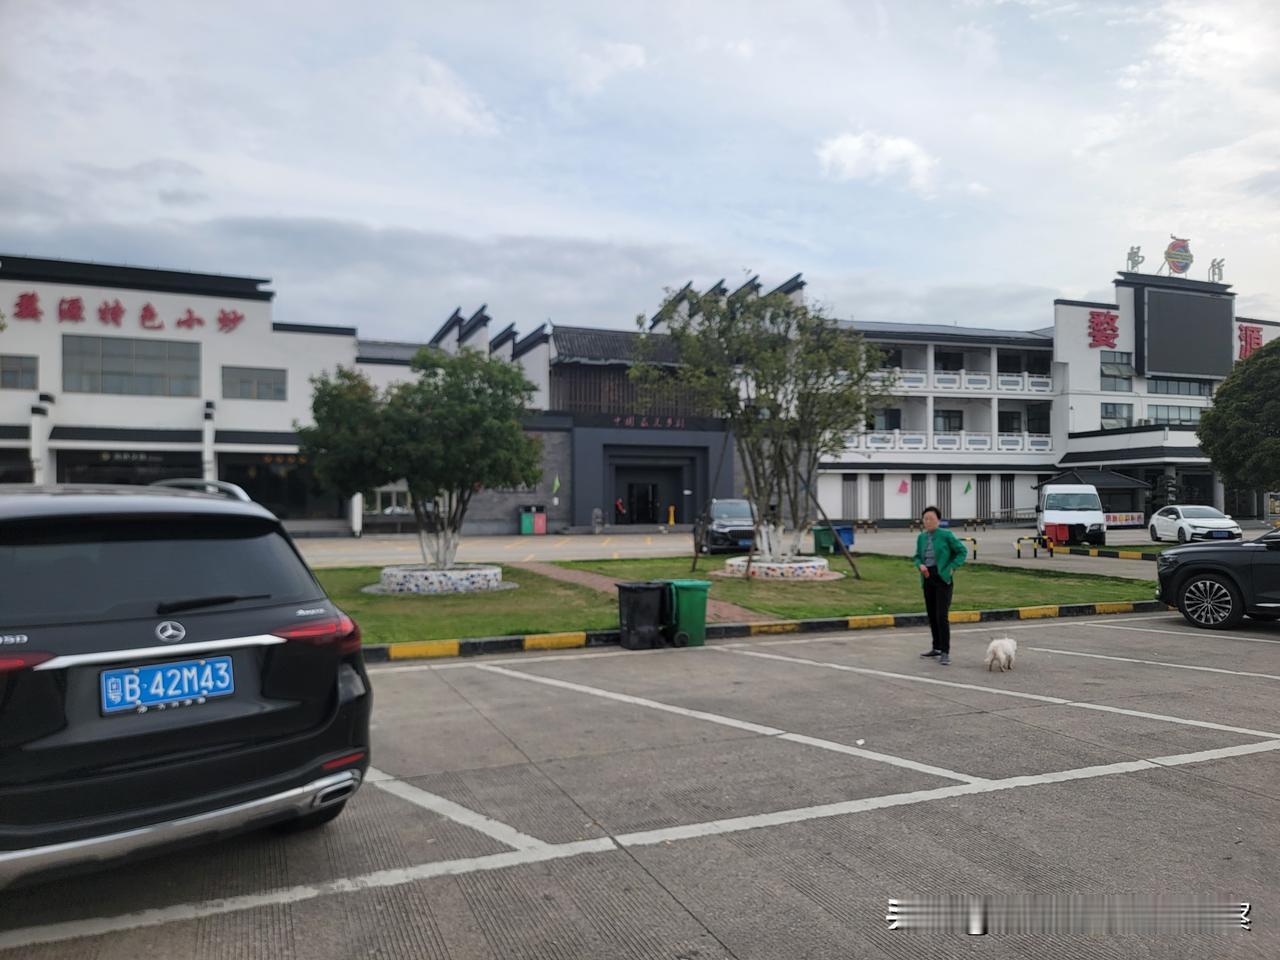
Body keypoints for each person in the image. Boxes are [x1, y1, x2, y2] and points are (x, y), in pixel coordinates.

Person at [912, 506, 967, 665]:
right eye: (925, 519)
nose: (927, 521)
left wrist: (952, 567)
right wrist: (920, 565)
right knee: (932, 614)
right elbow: (917, 556)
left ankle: (945, 651)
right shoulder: (921, 537)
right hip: (927, 578)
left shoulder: (946, 535)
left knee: (941, 615)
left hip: (942, 578)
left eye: (931, 518)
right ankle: (936, 647)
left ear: (938, 520)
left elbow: (962, 551)